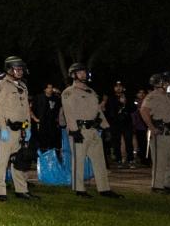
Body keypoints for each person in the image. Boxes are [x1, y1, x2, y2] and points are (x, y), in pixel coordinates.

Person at [61, 63, 122, 199]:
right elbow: (68, 112)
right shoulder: (69, 92)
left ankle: (104, 188)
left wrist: (106, 127)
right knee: (79, 161)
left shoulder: (91, 91)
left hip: (94, 130)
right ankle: (79, 189)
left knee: (100, 160)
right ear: (73, 75)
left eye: (84, 72)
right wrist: (74, 131)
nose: (83, 74)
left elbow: (98, 110)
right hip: (79, 130)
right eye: (80, 72)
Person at [0, 57, 37, 201]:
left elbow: (26, 110)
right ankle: (0, 191)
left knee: (19, 160)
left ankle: (21, 190)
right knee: (2, 161)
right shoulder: (0, 86)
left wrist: (28, 127)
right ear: (9, 69)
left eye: (21, 69)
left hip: (20, 130)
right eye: (17, 69)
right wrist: (2, 128)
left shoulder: (23, 86)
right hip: (6, 130)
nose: (20, 72)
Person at [140, 73, 170, 194]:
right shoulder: (153, 96)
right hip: (160, 131)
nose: (168, 84)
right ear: (159, 83)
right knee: (160, 160)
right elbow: (144, 111)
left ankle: (169, 183)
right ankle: (157, 185)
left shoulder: (168, 97)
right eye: (165, 82)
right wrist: (151, 127)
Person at [104, 81, 134, 167]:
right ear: (114, 88)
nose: (118, 88)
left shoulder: (128, 97)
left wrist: (125, 103)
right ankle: (119, 160)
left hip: (127, 122)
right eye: (116, 86)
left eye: (120, 86)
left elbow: (133, 109)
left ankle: (130, 159)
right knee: (116, 142)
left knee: (129, 141)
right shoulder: (110, 98)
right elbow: (109, 110)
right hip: (115, 123)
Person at [31, 84, 61, 152]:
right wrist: (35, 119)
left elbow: (60, 110)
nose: (50, 89)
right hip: (41, 124)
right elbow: (30, 109)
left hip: (52, 125)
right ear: (45, 89)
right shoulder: (38, 97)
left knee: (53, 144)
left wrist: (58, 120)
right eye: (48, 88)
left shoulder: (55, 98)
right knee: (42, 144)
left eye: (51, 87)